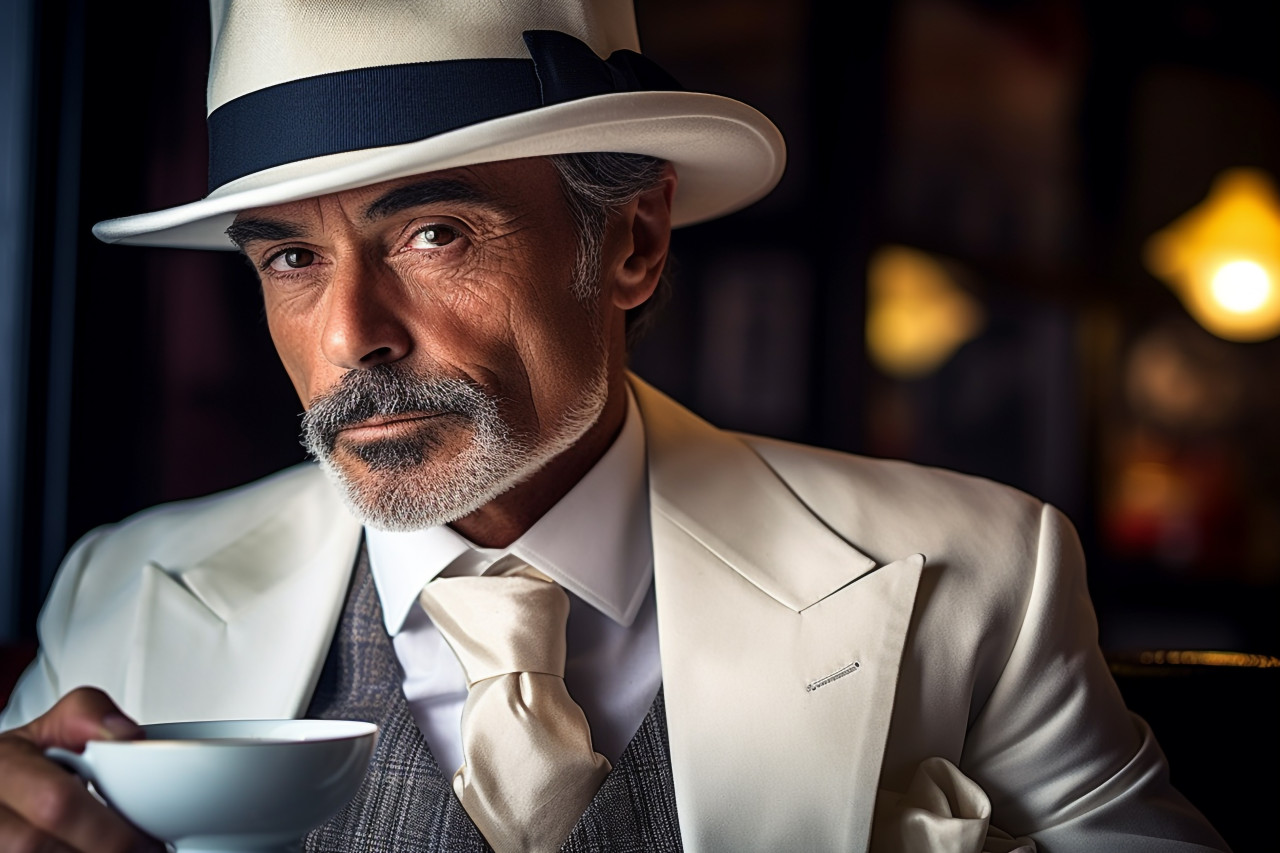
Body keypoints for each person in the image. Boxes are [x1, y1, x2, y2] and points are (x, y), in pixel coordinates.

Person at [0, 1, 1232, 851]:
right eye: (289, 257)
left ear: (630, 240)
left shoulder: (980, 577)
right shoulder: (125, 595)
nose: (350, 337)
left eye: (431, 234)